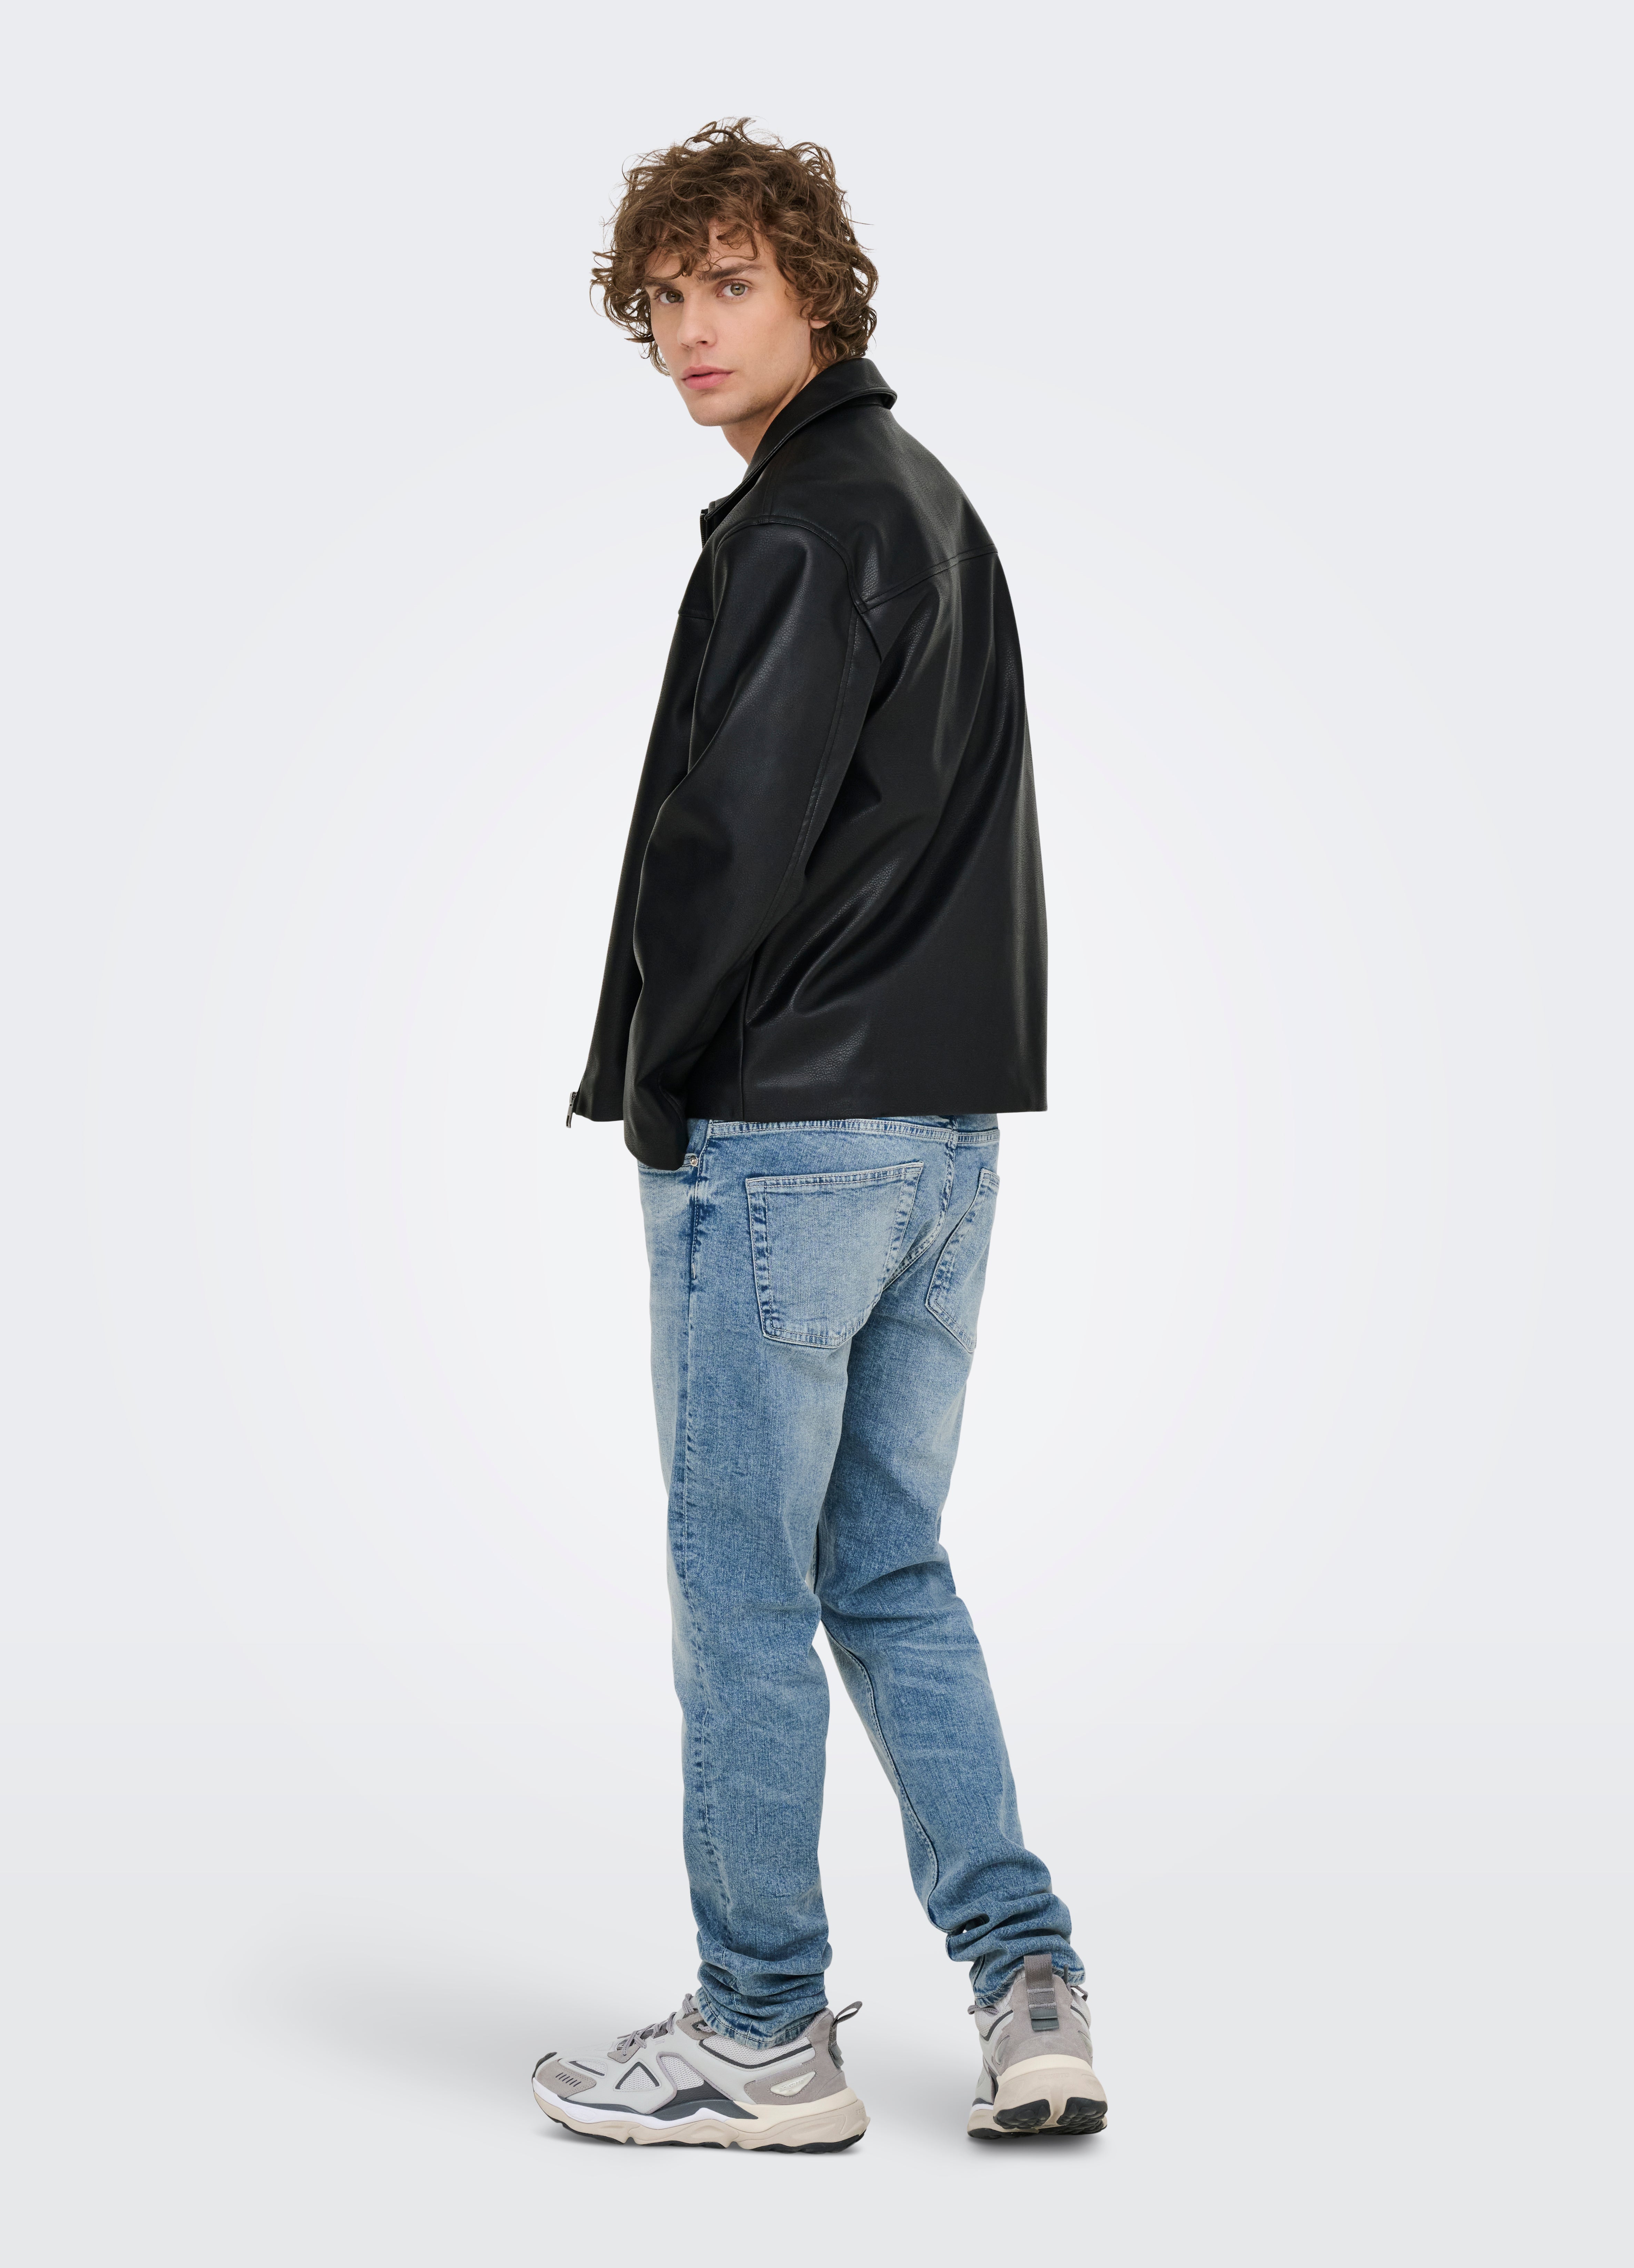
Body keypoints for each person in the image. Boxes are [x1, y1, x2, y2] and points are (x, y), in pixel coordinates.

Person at [533, 120, 1104, 2151]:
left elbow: (728, 848)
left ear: (820, 294)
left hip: (787, 1139)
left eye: (733, 284)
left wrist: (658, 1079)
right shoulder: (928, 503)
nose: (692, 329)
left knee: (744, 1586)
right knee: (888, 1565)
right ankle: (1028, 1978)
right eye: (664, 297)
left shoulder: (797, 527)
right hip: (942, 1139)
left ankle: (764, 2032)